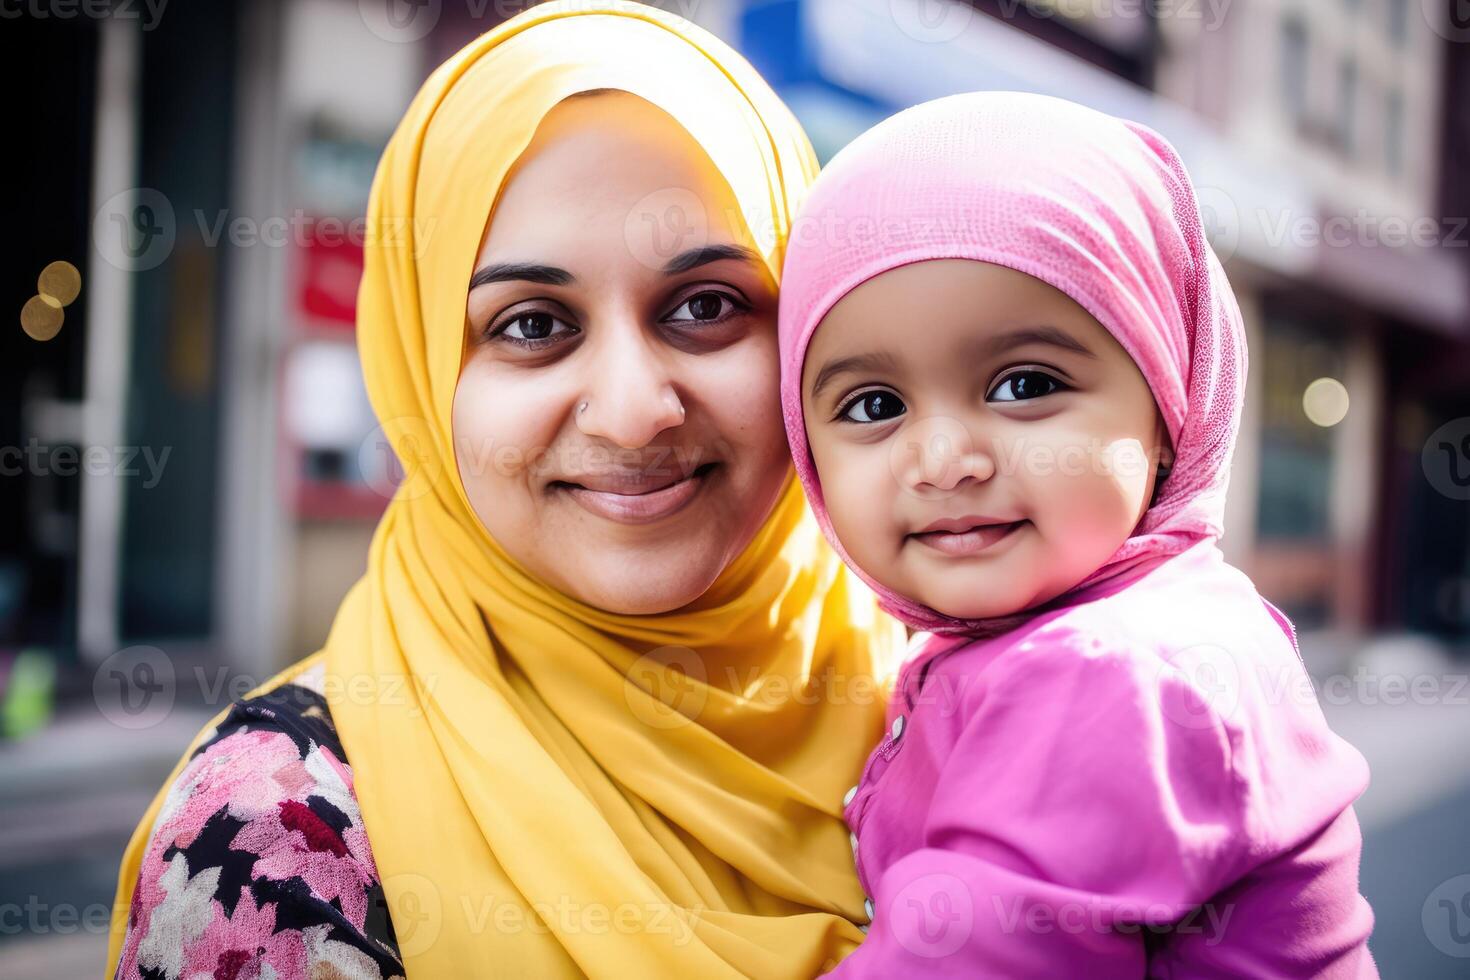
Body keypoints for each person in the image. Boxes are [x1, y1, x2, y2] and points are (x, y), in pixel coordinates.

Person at [105, 4, 903, 977]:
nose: (631, 409)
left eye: (707, 305)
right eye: (532, 324)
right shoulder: (282, 834)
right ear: (421, 370)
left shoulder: (958, 705)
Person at [777, 91, 1378, 976]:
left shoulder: (1117, 673)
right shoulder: (1089, 629)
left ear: (1170, 403)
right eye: (874, 406)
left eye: (1023, 385)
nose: (944, 460)